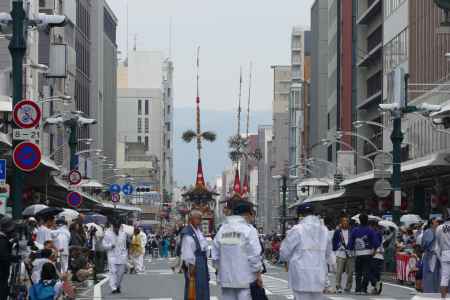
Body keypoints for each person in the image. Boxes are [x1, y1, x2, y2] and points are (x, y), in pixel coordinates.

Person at [212, 200, 263, 300]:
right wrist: (258, 275)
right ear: (247, 214)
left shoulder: (222, 230)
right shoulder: (248, 230)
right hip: (245, 279)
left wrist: (220, 270)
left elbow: (215, 255)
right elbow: (254, 255)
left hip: (226, 280)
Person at [280, 203, 331, 300]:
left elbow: (284, 252)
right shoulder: (324, 230)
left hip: (301, 276)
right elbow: (328, 254)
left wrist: (288, 259)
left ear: (300, 215)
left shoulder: (297, 229)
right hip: (319, 275)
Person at [180, 209, 210, 300]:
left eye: (200, 219)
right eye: (197, 218)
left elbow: (204, 245)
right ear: (191, 219)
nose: (200, 221)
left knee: (203, 285)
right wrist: (191, 265)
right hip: (194, 262)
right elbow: (188, 250)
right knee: (194, 286)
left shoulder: (198, 231)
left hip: (202, 261)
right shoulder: (188, 232)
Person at [348, 214, 379, 295]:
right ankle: (364, 289)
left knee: (358, 272)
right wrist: (374, 249)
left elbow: (350, 243)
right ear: (367, 220)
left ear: (359, 220)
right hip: (368, 253)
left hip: (358, 254)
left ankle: (358, 289)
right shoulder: (370, 230)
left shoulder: (355, 230)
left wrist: (351, 250)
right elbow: (376, 242)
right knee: (366, 272)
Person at [103, 220, 129, 294]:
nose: (117, 229)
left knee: (121, 273)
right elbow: (104, 245)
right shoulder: (107, 233)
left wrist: (126, 254)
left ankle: (118, 286)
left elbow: (125, 245)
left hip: (122, 256)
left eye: (118, 227)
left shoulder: (124, 233)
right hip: (112, 256)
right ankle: (113, 288)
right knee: (113, 272)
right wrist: (110, 246)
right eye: (115, 228)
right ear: (113, 226)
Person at [332, 215, 354, 294]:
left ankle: (348, 287)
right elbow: (334, 242)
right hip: (340, 254)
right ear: (341, 223)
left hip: (350, 254)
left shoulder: (352, 231)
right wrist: (338, 246)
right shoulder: (337, 231)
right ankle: (338, 286)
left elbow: (354, 241)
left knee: (350, 272)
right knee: (339, 271)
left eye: (346, 221)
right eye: (343, 221)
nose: (345, 223)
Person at [0, 216, 20, 300]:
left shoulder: (4, 239)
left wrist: (10, 242)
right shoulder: (2, 240)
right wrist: (15, 258)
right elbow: (4, 257)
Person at [422, 218, 441, 293]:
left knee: (436, 273)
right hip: (430, 254)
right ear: (431, 224)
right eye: (436, 222)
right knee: (430, 273)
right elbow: (425, 244)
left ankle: (436, 289)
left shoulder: (439, 231)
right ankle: (429, 290)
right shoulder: (428, 231)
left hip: (437, 255)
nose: (437, 223)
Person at [368, 220, 384, 295]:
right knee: (376, 274)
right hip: (380, 257)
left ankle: (376, 283)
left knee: (369, 272)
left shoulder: (375, 233)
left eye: (370, 226)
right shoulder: (380, 233)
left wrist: (373, 253)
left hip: (375, 256)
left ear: (373, 226)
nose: (369, 227)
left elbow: (375, 245)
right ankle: (375, 289)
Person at [436, 216, 450, 299]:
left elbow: (438, 241)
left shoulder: (439, 227)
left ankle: (443, 298)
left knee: (444, 277)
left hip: (445, 253)